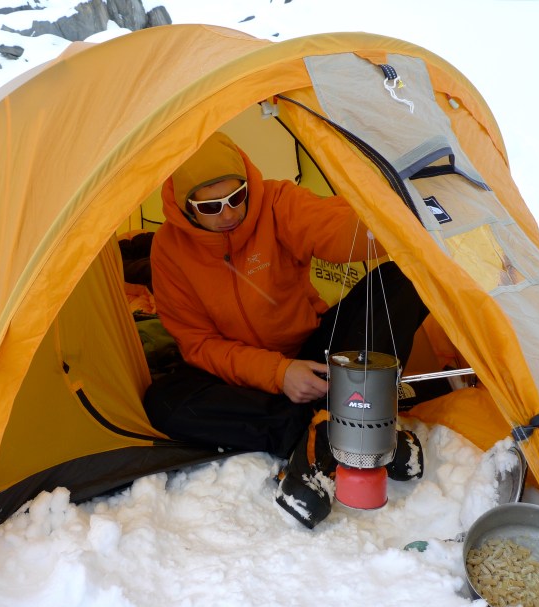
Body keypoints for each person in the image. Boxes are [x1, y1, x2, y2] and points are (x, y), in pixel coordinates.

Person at [143, 131, 430, 529]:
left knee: (403, 279)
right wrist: (278, 374)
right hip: (244, 378)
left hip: (313, 354)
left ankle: (350, 415)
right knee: (164, 401)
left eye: (236, 197)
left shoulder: (276, 203)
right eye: (210, 206)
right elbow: (199, 345)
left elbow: (333, 229)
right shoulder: (169, 250)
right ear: (184, 208)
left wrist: (393, 212)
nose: (228, 213)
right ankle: (325, 430)